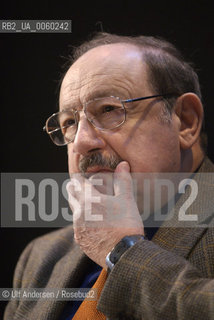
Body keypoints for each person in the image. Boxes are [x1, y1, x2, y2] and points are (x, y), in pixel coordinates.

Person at [4, 32, 214, 320]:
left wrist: (124, 254)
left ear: (185, 122)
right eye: (69, 123)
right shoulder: (42, 256)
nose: (80, 142)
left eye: (109, 110)